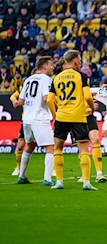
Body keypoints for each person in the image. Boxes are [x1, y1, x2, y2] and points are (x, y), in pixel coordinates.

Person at [47, 50, 97, 191]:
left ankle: (59, 182)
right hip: (78, 117)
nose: (80, 62)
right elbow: (87, 96)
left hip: (62, 116)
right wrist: (92, 108)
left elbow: (50, 100)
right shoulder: (81, 76)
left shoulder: (56, 78)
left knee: (58, 149)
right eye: (79, 60)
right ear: (75, 61)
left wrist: (55, 115)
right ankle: (86, 182)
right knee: (84, 150)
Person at [16, 56, 55, 185]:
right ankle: (47, 179)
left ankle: (21, 176)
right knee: (50, 147)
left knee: (30, 146)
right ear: (44, 66)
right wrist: (56, 111)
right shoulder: (46, 79)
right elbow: (46, 98)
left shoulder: (28, 79)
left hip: (26, 119)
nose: (52, 67)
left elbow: (20, 101)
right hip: (40, 118)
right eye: (50, 65)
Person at [10, 85, 26, 176]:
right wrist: (15, 101)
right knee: (20, 146)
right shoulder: (23, 88)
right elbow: (12, 96)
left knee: (49, 146)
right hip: (26, 121)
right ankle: (18, 167)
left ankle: (53, 169)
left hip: (39, 121)